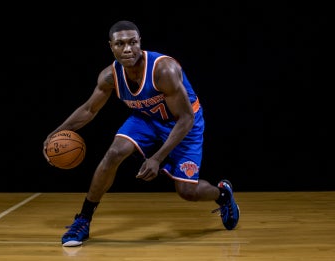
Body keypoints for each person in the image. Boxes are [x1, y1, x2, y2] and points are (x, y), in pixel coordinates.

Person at [43, 20, 240, 247]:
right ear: (111, 46)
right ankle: (84, 220)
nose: (127, 49)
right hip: (147, 119)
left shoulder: (163, 70)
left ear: (140, 43)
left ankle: (222, 194)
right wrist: (56, 133)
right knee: (114, 153)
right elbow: (89, 109)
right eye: (120, 44)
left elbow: (186, 118)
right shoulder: (109, 76)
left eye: (132, 42)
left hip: (183, 123)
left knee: (187, 192)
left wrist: (156, 157)